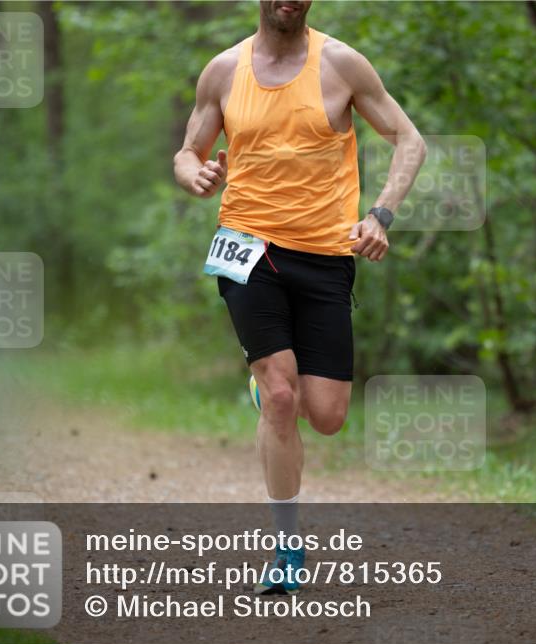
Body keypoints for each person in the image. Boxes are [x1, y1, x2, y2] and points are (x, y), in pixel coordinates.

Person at [173, 0, 425, 594]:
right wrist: (194, 174)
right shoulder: (224, 70)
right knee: (284, 398)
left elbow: (408, 140)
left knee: (329, 416)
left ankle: (264, 388)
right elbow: (189, 151)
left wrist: (381, 215)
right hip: (246, 248)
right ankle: (288, 549)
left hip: (327, 255)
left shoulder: (341, 64)